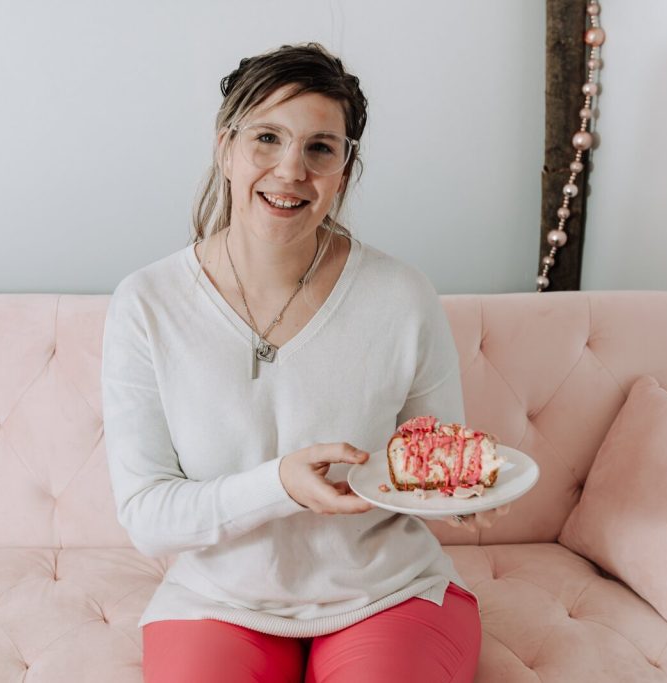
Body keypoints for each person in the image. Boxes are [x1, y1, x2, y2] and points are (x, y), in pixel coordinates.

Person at [102, 42, 508, 683]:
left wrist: (460, 497)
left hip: (388, 594)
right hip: (216, 603)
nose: (291, 169)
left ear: (344, 170)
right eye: (267, 137)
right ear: (226, 146)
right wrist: (280, 484)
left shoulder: (402, 295)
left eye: (321, 148)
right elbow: (149, 519)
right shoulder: (147, 303)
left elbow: (428, 457)